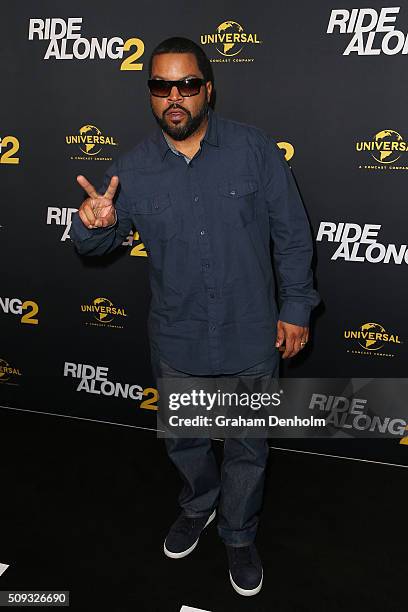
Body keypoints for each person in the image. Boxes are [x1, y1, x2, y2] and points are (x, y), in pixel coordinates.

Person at [70, 36, 320, 597]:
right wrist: (93, 222)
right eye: (161, 86)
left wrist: (296, 306)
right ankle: (199, 505)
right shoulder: (131, 169)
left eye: (187, 84)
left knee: (248, 446)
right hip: (178, 337)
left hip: (252, 332)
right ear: (151, 95)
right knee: (185, 441)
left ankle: (237, 532)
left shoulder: (254, 151)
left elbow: (293, 236)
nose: (174, 97)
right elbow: (93, 246)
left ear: (208, 88)